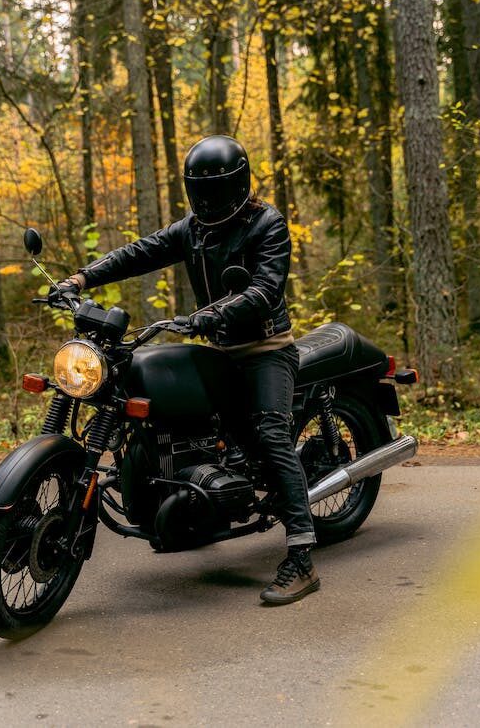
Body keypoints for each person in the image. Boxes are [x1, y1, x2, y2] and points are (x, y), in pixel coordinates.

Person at [52, 135, 319, 605]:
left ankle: (301, 555)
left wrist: (208, 315)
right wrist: (82, 277)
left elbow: (266, 290)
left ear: (237, 186)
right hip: (217, 345)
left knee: (272, 432)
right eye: (199, 192)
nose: (207, 202)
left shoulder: (266, 224)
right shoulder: (194, 228)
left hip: (264, 347)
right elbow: (141, 251)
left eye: (214, 192)